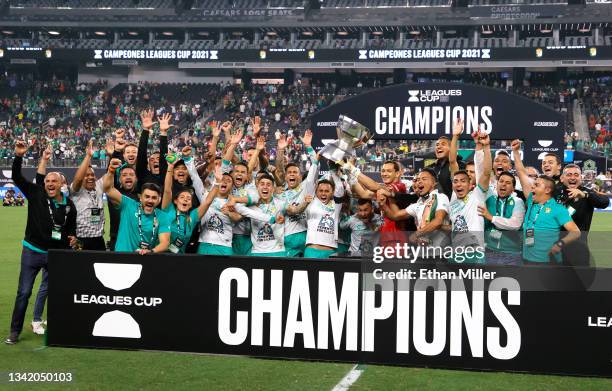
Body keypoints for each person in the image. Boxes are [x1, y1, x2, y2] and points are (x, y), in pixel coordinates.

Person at [6, 141, 77, 345]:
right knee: (24, 292)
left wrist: (72, 237)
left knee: (59, 291)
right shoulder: (36, 193)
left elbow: (71, 228)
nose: (50, 184)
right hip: (32, 251)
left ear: (62, 184)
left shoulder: (68, 204)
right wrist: (18, 156)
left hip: (56, 254)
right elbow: (18, 178)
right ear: (44, 183)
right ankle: (14, 331)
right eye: (47, 181)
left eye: (54, 181)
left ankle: (60, 327)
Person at [512, 140, 580, 265]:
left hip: (548, 263)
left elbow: (575, 232)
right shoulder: (532, 200)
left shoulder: (558, 208)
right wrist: (516, 152)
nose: (533, 186)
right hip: (526, 260)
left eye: (537, 184)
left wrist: (560, 244)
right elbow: (521, 173)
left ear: (548, 190)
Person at [104, 159, 171, 254]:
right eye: (147, 197)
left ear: (159, 200)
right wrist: (111, 170)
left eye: (154, 198)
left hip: (145, 259)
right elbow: (108, 189)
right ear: (140, 198)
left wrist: (151, 251)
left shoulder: (162, 216)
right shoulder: (128, 204)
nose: (150, 200)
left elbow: (165, 243)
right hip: (122, 257)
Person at [447, 123, 493, 264]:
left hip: (475, 254)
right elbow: (452, 161)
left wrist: (486, 146)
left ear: (470, 184)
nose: (458, 184)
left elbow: (486, 172)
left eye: (463, 181)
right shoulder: (454, 197)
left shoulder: (477, 195)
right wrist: (455, 136)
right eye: (456, 181)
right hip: (456, 254)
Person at [380, 168, 450, 250]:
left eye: (424, 179)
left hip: (439, 254)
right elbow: (395, 215)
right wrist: (383, 203)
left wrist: (416, 234)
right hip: (422, 253)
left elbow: (438, 221)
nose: (419, 181)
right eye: (418, 180)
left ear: (434, 183)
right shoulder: (418, 204)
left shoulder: (440, 197)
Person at [161, 157, 219, 254]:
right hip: (158, 256)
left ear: (191, 204)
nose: (186, 200)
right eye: (182, 197)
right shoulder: (168, 209)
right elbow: (167, 190)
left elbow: (207, 202)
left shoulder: (192, 217)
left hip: (180, 258)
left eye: (188, 198)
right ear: (175, 200)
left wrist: (218, 183)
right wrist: (170, 167)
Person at [557, 163, 610, 266]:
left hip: (579, 250)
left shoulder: (587, 193)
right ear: (562, 178)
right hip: (555, 248)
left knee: (579, 281)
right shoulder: (555, 193)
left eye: (576, 175)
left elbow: (605, 202)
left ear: (581, 178)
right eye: (569, 174)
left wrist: (585, 195)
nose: (573, 177)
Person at [232, 173, 287, 257]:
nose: (265, 187)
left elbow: (294, 210)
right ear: (257, 188)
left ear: (273, 189)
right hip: (257, 252)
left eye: (268, 185)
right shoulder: (251, 206)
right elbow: (238, 207)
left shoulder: (281, 204)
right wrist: (271, 219)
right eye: (262, 184)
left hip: (278, 251)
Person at [477, 171, 525, 265]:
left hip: (512, 254)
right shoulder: (489, 198)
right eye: (501, 181)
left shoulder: (518, 202)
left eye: (508, 183)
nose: (503, 184)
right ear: (496, 184)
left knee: (512, 279)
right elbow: (482, 175)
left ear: (513, 188)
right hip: (489, 251)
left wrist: (491, 218)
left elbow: (516, 224)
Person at [288, 179, 343, 259]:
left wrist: (333, 171)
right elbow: (310, 180)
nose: (323, 193)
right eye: (321, 191)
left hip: (331, 252)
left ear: (332, 192)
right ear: (316, 192)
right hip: (313, 252)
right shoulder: (311, 203)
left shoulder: (337, 205)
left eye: (327, 191)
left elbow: (340, 189)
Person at [70, 140, 106, 250]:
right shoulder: (76, 189)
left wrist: (112, 154)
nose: (90, 177)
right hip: (80, 239)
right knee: (81, 266)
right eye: (87, 175)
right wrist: (88, 156)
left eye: (92, 175)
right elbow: (79, 178)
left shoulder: (98, 187)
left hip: (99, 238)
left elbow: (110, 173)